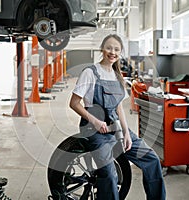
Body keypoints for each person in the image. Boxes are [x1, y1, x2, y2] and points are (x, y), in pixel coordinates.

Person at [69, 34, 166, 200]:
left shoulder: (117, 76)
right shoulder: (90, 72)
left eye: (116, 49)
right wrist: (96, 121)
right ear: (102, 49)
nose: (112, 52)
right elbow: (74, 103)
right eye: (109, 48)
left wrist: (127, 133)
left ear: (120, 53)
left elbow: (119, 106)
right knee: (109, 175)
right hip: (95, 130)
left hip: (116, 128)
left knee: (151, 159)